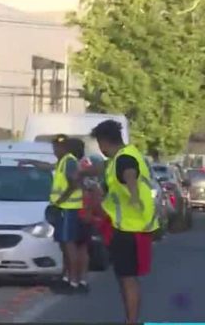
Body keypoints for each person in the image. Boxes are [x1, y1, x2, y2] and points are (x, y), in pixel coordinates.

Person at [78, 120, 157, 324]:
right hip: (124, 227)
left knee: (128, 279)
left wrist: (133, 193)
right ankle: (129, 319)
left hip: (130, 229)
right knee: (124, 278)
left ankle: (131, 321)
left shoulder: (125, 158)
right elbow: (105, 182)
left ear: (104, 141)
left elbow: (129, 173)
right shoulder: (118, 159)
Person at [17, 134, 83, 293]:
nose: (55, 151)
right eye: (54, 148)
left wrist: (60, 201)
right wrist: (29, 162)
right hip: (63, 208)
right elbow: (47, 167)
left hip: (68, 208)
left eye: (57, 148)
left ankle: (74, 282)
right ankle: (67, 278)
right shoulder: (62, 162)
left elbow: (74, 183)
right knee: (63, 244)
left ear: (65, 148)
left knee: (69, 244)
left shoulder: (69, 161)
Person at [67, 137, 92, 293]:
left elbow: (74, 182)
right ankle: (82, 279)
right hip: (89, 209)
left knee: (72, 245)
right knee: (83, 247)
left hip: (77, 207)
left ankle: (73, 281)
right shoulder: (88, 163)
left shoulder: (76, 165)